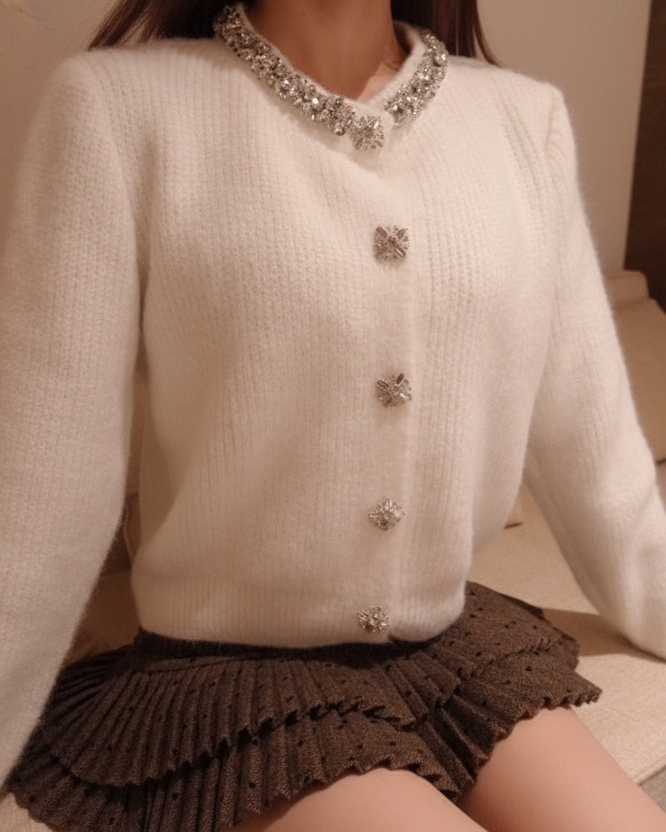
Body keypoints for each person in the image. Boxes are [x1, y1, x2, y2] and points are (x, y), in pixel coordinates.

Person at [1, 0, 666, 830]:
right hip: (231, 676)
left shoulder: (524, 121)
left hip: (447, 648)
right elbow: (44, 485)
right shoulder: (120, 111)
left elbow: (593, 443)